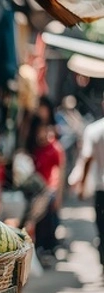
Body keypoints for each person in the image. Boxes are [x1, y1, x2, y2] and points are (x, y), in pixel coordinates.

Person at [25, 116, 66, 265]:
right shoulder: (36, 149)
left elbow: (60, 173)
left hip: (50, 190)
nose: (41, 134)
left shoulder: (55, 148)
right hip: (36, 190)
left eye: (44, 130)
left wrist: (58, 195)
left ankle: (49, 247)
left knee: (48, 217)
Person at [73, 94, 104, 268]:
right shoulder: (93, 130)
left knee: (102, 228)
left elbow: (87, 159)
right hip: (100, 187)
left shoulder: (94, 129)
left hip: (101, 188)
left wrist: (82, 186)